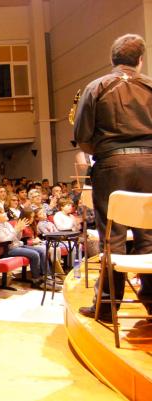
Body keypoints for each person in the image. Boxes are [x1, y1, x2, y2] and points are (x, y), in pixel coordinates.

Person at [73, 33, 152, 322]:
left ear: (112, 60)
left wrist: (108, 153)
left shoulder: (97, 87)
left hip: (111, 165)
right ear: (140, 61)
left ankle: (107, 307)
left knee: (112, 239)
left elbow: (82, 135)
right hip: (151, 165)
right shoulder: (150, 86)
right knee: (150, 236)